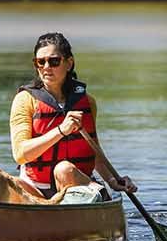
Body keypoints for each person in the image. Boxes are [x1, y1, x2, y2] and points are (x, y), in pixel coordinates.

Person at [9, 31, 135, 202]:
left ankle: (97, 194)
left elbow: (93, 151)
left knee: (64, 170)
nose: (46, 67)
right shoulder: (24, 100)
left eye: (54, 61)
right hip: (37, 188)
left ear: (69, 63)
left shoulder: (87, 102)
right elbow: (20, 154)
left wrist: (113, 180)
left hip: (76, 183)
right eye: (40, 62)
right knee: (8, 183)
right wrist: (61, 131)